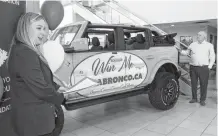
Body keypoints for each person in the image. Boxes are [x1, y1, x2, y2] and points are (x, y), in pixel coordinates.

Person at [7, 12, 68, 136]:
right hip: (35, 122)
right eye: (39, 28)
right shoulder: (25, 52)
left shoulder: (23, 50)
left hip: (33, 121)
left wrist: (57, 87)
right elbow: (41, 89)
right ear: (25, 28)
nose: (44, 33)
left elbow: (35, 80)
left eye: (45, 29)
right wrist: (62, 98)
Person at [179, 31, 215, 106]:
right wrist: (181, 51)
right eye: (197, 35)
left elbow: (212, 57)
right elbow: (187, 52)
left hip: (204, 68)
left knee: (203, 84)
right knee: (193, 83)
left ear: (204, 37)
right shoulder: (192, 44)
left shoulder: (209, 45)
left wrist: (209, 66)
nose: (197, 36)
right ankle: (194, 98)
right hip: (193, 67)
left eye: (200, 35)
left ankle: (202, 100)